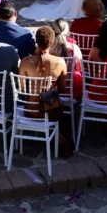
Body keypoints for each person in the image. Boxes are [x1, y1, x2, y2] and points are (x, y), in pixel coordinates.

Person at [17, 27, 72, 155]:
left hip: (30, 111)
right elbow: (63, 89)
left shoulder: (25, 61)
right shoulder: (59, 62)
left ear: (36, 41)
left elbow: (23, 89)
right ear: (52, 43)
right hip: (50, 112)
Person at [49, 18, 83, 100]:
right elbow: (80, 68)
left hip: (52, 89)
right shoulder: (74, 48)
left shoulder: (47, 49)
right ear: (67, 32)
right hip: (72, 87)